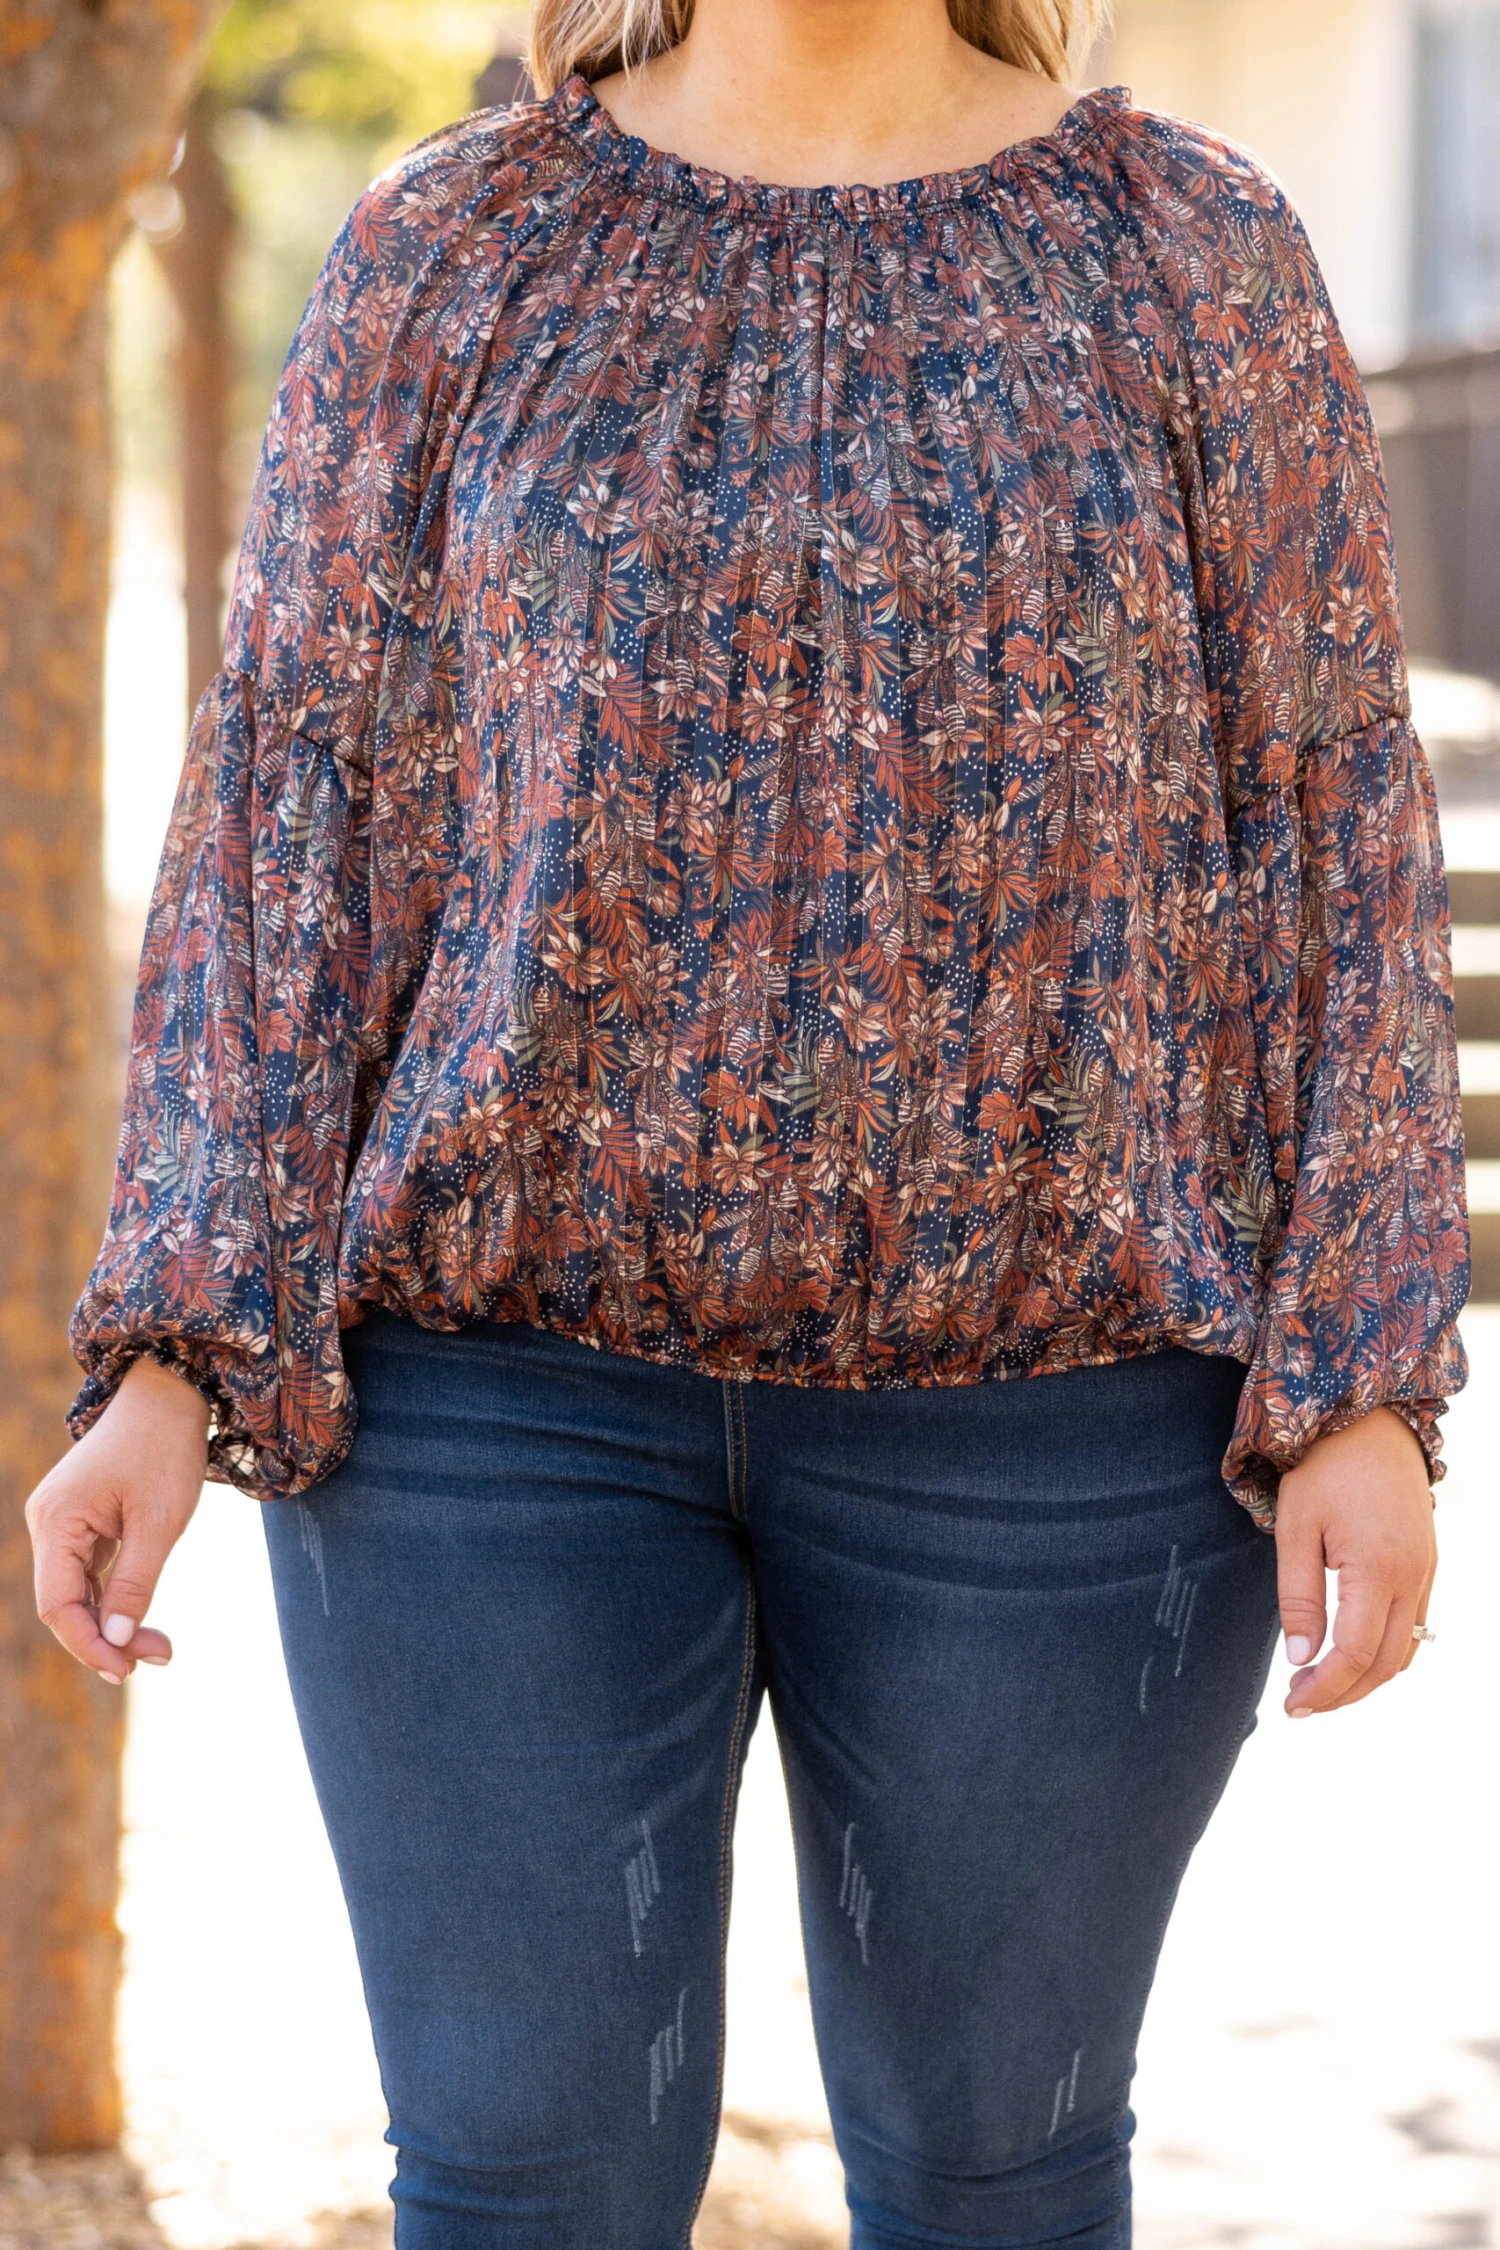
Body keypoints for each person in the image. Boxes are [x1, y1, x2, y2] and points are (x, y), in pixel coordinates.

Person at [27, 1, 1470, 2242]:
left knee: (996, 2181)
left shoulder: (1193, 252)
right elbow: (289, 808)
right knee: (525, 2176)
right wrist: (168, 1351)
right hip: (490, 1411)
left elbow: (1327, 804)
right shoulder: (454, 246)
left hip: (1062, 1420)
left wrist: (1359, 1369)